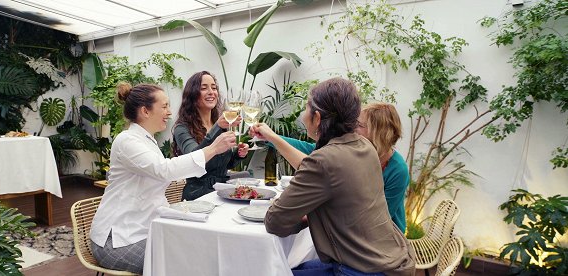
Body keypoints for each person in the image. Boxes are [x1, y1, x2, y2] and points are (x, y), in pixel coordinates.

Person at [250, 77, 415, 276]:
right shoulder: (365, 148)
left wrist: (305, 212)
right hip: (391, 261)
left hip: (362, 269)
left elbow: (275, 220)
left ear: (317, 118)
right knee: (290, 268)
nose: (303, 116)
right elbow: (323, 171)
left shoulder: (324, 160)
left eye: (306, 109)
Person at [90, 82, 236, 274]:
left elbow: (169, 172)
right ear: (145, 111)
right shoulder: (126, 141)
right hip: (117, 240)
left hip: (146, 229)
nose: (169, 112)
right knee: (186, 263)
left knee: (201, 249)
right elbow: (164, 170)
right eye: (165, 106)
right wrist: (213, 148)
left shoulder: (148, 141)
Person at [262, 103, 409, 232]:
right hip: (352, 234)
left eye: (359, 125)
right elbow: (311, 149)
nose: (353, 128)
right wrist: (270, 137)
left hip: (384, 241)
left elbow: (379, 219)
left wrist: (310, 216)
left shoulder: (398, 170)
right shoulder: (353, 152)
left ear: (379, 133)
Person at [173, 71, 249, 201]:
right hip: (198, 196)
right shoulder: (182, 128)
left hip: (222, 192)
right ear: (192, 95)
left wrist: (238, 155)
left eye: (214, 88)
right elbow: (195, 160)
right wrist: (217, 128)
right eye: (203, 88)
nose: (211, 92)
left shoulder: (219, 124)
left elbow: (223, 165)